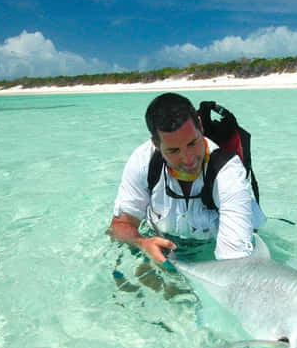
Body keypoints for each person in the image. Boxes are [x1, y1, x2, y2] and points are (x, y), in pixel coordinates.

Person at [110, 93, 266, 265]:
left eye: (192, 143)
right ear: (156, 144)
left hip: (213, 244)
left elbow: (235, 263)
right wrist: (142, 243)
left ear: (200, 125)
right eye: (174, 151)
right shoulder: (143, 161)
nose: (188, 159)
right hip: (167, 243)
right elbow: (120, 226)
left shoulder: (227, 174)